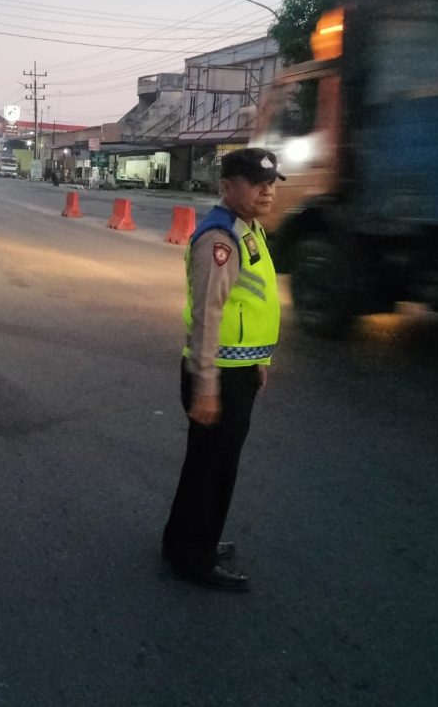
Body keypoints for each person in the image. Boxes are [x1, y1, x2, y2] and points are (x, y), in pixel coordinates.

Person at [161, 147, 286, 592]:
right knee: (215, 469)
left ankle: (183, 543)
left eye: (270, 184)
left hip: (237, 370)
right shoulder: (220, 237)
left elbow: (254, 303)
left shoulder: (247, 228)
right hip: (217, 376)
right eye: (256, 183)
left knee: (205, 465)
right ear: (228, 187)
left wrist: (261, 360)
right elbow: (209, 316)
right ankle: (196, 558)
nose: (267, 192)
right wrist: (208, 388)